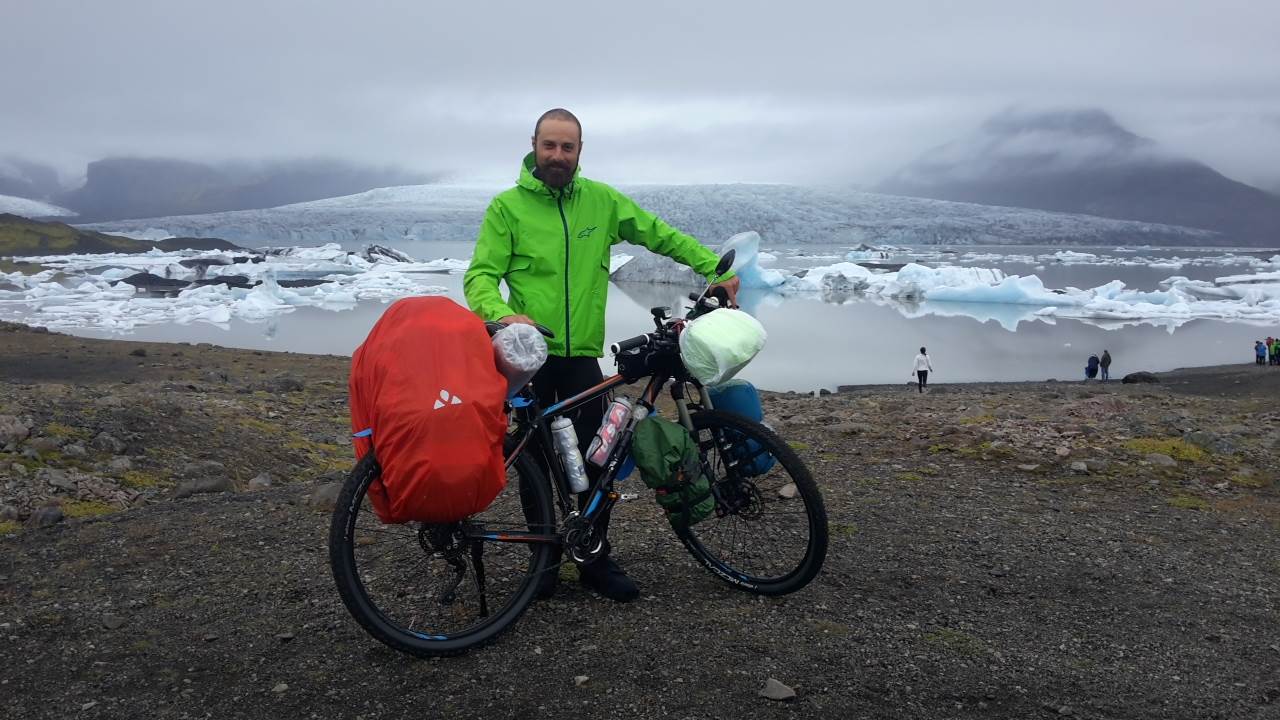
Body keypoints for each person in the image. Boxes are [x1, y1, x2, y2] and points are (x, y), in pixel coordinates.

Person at [463, 108, 739, 603]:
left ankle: (594, 557)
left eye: (567, 147)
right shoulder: (508, 209)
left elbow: (657, 233)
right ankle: (543, 562)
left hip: (582, 355)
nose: (558, 156)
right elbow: (480, 276)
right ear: (533, 145)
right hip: (530, 357)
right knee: (538, 463)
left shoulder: (601, 202)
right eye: (550, 146)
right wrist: (502, 315)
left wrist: (708, 266)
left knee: (599, 459)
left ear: (579, 151)